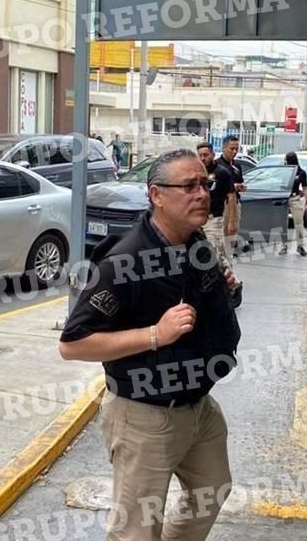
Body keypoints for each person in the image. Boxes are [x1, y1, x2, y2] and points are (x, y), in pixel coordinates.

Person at [59, 148, 240, 541]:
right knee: (137, 530)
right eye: (188, 186)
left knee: (213, 489)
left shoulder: (197, 244)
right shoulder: (123, 261)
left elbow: (204, 306)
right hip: (146, 416)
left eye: (204, 184)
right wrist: (155, 334)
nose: (201, 194)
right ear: (157, 195)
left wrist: (226, 292)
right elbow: (73, 344)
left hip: (199, 405)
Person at [197, 142, 236, 266]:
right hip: (197, 220)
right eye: (200, 155)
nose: (203, 158)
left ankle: (231, 282)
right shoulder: (196, 172)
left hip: (213, 220)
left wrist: (231, 222)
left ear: (213, 154)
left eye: (206, 155)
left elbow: (231, 196)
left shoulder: (222, 172)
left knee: (215, 254)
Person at [217, 135, 246, 263]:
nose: (234, 152)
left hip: (236, 203)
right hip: (223, 204)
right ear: (224, 148)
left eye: (237, 149)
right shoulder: (217, 165)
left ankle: (229, 263)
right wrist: (232, 186)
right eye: (231, 149)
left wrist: (239, 187)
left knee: (232, 235)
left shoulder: (237, 166)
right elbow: (215, 185)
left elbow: (239, 181)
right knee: (221, 236)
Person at [280, 151, 307, 256]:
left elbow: (305, 188)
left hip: (295, 198)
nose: (284, 162)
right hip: (283, 198)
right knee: (283, 223)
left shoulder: (301, 173)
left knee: (299, 223)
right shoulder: (283, 171)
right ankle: (284, 246)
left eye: (286, 160)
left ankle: (300, 246)